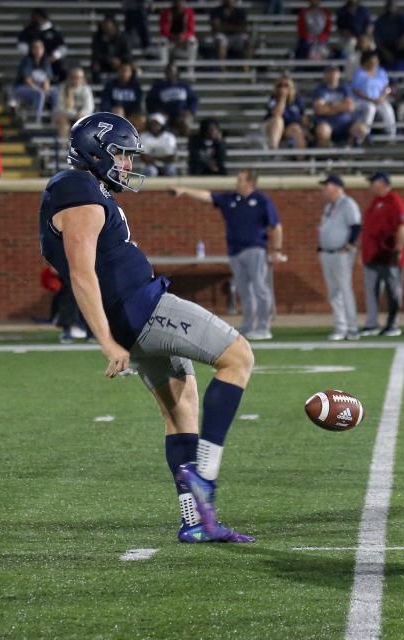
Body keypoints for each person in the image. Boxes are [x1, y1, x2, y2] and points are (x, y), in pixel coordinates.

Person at [41, 113, 256, 544]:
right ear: (96, 151)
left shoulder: (83, 189)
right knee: (238, 357)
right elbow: (82, 273)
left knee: (181, 407)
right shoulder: (76, 188)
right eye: (119, 154)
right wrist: (105, 340)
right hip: (141, 308)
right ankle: (206, 480)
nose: (124, 164)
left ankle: (195, 520)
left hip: (132, 312)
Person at [171, 171, 283, 340]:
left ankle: (263, 327)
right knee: (244, 291)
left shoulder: (262, 200)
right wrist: (185, 190)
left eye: (240, 181)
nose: (237, 183)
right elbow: (208, 196)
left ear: (250, 183)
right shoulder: (230, 199)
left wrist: (276, 249)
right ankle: (247, 325)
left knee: (260, 288)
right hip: (234, 252)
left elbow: (276, 226)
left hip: (256, 249)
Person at [360, 172, 404, 337]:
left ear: (382, 183)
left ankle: (393, 324)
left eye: (373, 182)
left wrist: (398, 249)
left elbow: (402, 226)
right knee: (372, 291)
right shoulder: (375, 202)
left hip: (387, 254)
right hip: (372, 255)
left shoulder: (394, 200)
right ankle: (371, 324)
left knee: (393, 290)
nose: (370, 185)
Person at [317, 174, 361, 341]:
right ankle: (340, 327)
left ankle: (352, 327)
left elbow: (356, 226)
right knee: (333, 292)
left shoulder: (348, 203)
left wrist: (349, 245)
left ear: (336, 187)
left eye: (326, 186)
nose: (323, 190)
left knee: (344, 289)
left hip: (341, 253)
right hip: (328, 253)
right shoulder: (329, 206)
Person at [312, 65, 364, 147]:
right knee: (322, 130)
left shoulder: (344, 88)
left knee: (361, 128)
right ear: (325, 74)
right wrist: (341, 106)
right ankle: (326, 157)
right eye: (329, 72)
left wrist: (330, 106)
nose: (332, 74)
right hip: (326, 122)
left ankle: (350, 154)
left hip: (345, 123)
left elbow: (350, 107)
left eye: (334, 72)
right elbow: (320, 109)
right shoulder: (320, 90)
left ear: (339, 74)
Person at [351, 50, 396, 140]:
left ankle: (391, 136)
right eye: (372, 61)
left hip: (379, 99)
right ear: (366, 61)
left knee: (388, 109)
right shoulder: (359, 73)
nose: (374, 63)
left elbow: (386, 87)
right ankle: (363, 135)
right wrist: (370, 99)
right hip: (363, 101)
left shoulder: (381, 72)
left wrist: (382, 97)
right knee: (370, 108)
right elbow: (355, 91)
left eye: (376, 61)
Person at [146, 62, 199, 137]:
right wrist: (159, 110)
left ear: (177, 72)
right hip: (165, 114)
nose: (171, 73)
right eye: (168, 71)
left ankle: (186, 141)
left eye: (173, 71)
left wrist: (190, 111)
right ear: (165, 73)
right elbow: (149, 102)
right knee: (157, 121)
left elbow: (194, 99)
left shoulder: (184, 86)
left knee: (185, 121)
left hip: (181, 114)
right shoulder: (158, 86)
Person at [17, 8, 67, 81]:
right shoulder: (28, 30)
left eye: (38, 17)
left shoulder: (54, 31)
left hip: (51, 59)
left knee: (62, 68)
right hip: (33, 59)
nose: (36, 19)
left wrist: (54, 56)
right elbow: (21, 44)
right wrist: (32, 55)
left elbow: (62, 47)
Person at [14, 39, 57, 124]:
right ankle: (36, 120)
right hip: (22, 88)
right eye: (36, 48)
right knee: (40, 94)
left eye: (40, 48)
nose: (38, 50)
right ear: (32, 50)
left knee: (55, 92)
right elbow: (27, 80)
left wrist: (47, 90)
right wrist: (41, 90)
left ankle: (55, 118)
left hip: (38, 88)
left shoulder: (45, 61)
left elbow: (47, 79)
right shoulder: (27, 60)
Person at [263, 75, 307, 150]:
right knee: (278, 121)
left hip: (289, 128)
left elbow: (304, 118)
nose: (283, 88)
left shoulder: (297, 100)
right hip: (272, 127)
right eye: (280, 85)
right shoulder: (273, 98)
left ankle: (301, 158)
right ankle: (273, 150)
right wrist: (282, 98)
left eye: (286, 85)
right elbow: (276, 114)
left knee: (296, 129)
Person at [53, 67, 95, 141]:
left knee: (84, 123)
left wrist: (81, 114)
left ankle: (80, 149)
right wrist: (75, 114)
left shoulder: (86, 89)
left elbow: (89, 107)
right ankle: (64, 149)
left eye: (80, 77)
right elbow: (60, 108)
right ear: (70, 77)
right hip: (66, 116)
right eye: (75, 77)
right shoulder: (62, 88)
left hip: (81, 116)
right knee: (63, 123)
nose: (77, 80)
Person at [100, 61, 144, 130]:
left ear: (131, 73)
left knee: (141, 119)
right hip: (113, 114)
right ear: (118, 71)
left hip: (131, 115)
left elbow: (138, 104)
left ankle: (136, 139)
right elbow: (105, 103)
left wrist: (129, 114)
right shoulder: (110, 85)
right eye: (122, 70)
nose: (124, 73)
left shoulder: (135, 86)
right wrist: (112, 110)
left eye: (127, 71)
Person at [373, 0, 404, 72]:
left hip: (400, 46)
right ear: (386, 7)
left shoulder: (402, 17)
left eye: (393, 5)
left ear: (397, 6)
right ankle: (380, 70)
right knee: (376, 50)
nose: (391, 7)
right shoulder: (380, 19)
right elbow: (376, 38)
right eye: (389, 5)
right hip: (385, 48)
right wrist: (385, 52)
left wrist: (403, 39)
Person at [157, 0, 198, 70]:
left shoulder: (189, 12)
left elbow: (191, 30)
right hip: (170, 41)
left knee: (193, 41)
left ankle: (190, 70)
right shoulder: (166, 12)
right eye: (177, 1)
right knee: (162, 41)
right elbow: (163, 30)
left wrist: (184, 37)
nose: (179, 3)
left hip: (184, 41)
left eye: (181, 1)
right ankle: (164, 69)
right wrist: (174, 37)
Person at [90, 15, 131, 83]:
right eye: (104, 25)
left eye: (108, 26)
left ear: (113, 26)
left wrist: (120, 60)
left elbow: (127, 53)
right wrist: (109, 60)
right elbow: (96, 53)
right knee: (95, 66)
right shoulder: (97, 37)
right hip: (103, 62)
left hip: (120, 62)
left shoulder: (123, 37)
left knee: (129, 68)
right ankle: (98, 91)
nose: (106, 28)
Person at [140, 112, 178, 176]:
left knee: (170, 170)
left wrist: (154, 158)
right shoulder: (143, 136)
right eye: (152, 123)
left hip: (166, 164)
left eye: (157, 124)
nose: (154, 126)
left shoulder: (169, 137)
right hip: (150, 165)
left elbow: (172, 157)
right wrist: (161, 158)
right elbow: (143, 157)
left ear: (162, 125)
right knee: (151, 171)